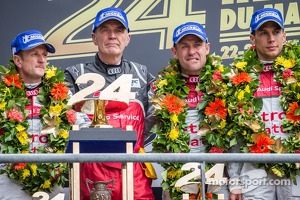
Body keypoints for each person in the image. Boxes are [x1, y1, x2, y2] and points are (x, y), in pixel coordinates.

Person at [64, 7, 156, 200]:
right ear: (94, 37)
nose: (112, 36)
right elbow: (62, 122)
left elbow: (157, 120)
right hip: (90, 174)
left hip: (133, 172)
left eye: (119, 31)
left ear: (127, 38)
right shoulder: (75, 74)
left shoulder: (142, 73)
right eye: (105, 30)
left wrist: (137, 141)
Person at [0, 30, 90, 199]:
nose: (42, 60)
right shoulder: (2, 95)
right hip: (10, 182)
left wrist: (102, 129)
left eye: (44, 54)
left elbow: (82, 125)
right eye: (34, 54)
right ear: (18, 60)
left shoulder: (61, 94)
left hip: (50, 181)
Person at [150, 22, 229, 200]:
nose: (192, 51)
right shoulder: (160, 90)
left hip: (218, 180)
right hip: (177, 179)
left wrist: (237, 180)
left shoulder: (225, 84)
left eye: (197, 45)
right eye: (185, 46)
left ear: (207, 48)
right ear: (174, 52)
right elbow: (143, 128)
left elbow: (237, 138)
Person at [227, 8, 300, 200]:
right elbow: (235, 135)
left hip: (296, 167)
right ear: (252, 38)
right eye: (263, 33)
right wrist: (234, 179)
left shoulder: (299, 72)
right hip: (254, 168)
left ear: (284, 35)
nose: (271, 39)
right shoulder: (237, 78)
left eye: (276, 32)